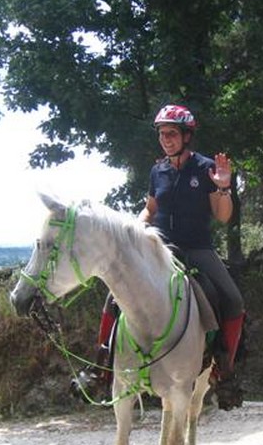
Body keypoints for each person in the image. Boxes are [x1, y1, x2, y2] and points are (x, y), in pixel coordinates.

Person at [91, 104, 245, 410]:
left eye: (172, 133)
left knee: (232, 300)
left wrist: (224, 187)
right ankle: (101, 367)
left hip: (197, 248)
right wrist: (135, 227)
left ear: (187, 136)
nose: (166, 139)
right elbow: (151, 208)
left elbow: (223, 216)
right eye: (162, 134)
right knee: (114, 296)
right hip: (158, 247)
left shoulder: (205, 169)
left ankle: (224, 370)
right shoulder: (157, 170)